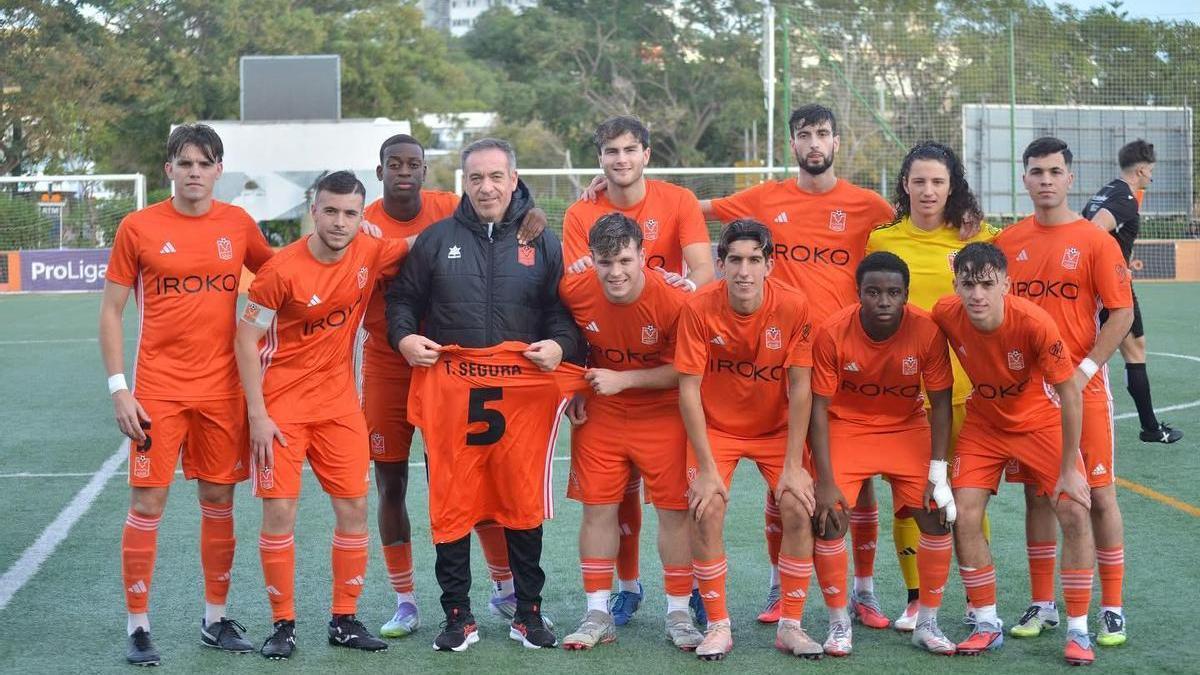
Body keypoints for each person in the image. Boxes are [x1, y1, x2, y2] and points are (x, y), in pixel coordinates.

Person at [386, 138, 582, 652]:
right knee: (451, 503)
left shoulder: (543, 240)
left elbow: (563, 310)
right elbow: (402, 299)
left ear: (514, 180)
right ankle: (457, 616)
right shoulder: (436, 240)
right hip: (452, 396)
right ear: (464, 183)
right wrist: (405, 338)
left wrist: (561, 347)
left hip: (520, 396)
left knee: (521, 502)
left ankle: (528, 613)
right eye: (476, 178)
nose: (486, 187)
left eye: (496, 176)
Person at [100, 123, 272, 666]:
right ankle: (138, 626)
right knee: (148, 500)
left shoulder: (239, 224)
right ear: (168, 168)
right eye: (185, 162)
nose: (195, 172)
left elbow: (280, 277)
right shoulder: (139, 226)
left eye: (205, 163)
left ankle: (215, 619)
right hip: (159, 391)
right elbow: (111, 312)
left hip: (224, 392)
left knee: (219, 501)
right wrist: (119, 389)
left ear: (219, 170)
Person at [234, 171, 409, 659]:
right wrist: (258, 415)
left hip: (339, 409)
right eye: (330, 211)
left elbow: (423, 241)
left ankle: (344, 619)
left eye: (350, 213)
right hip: (281, 411)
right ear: (314, 210)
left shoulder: (371, 251)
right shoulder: (279, 271)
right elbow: (246, 340)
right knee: (280, 511)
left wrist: (518, 213)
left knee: (353, 507)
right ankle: (283, 624)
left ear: (362, 215)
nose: (339, 222)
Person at [563, 115, 714, 625]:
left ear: (647, 154)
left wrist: (681, 287)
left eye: (631, 149)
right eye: (611, 151)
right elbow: (566, 321)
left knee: (677, 506)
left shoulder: (677, 207)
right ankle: (610, 601)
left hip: (662, 381)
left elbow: (704, 274)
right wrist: (572, 386)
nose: (621, 159)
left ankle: (681, 603)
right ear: (600, 158)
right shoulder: (582, 216)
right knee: (607, 503)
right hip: (603, 393)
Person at [933, 242, 1098, 666]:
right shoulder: (945, 314)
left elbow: (1070, 395)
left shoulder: (1035, 323)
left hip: (1039, 423)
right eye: (968, 284)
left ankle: (1079, 629)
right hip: (985, 425)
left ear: (1006, 284)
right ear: (956, 284)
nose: (977, 294)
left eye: (987, 284)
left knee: (1075, 509)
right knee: (962, 515)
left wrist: (1068, 470)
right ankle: (987, 623)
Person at [997, 137, 1134, 648]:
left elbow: (1120, 313)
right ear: (1025, 179)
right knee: (1038, 495)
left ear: (1070, 178)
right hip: (1027, 394)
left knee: (1098, 495)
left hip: (1082, 388)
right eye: (1037, 171)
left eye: (1055, 171)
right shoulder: (1009, 243)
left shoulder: (1096, 241)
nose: (1047, 180)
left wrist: (1084, 367)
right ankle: (1043, 603)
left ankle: (1113, 608)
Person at [865, 141, 999, 629]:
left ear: (952, 186)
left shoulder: (979, 236)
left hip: (964, 391)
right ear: (905, 184)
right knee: (910, 496)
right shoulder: (881, 240)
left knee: (965, 495)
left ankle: (971, 595)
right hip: (903, 394)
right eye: (918, 181)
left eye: (938, 181)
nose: (927, 190)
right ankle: (917, 596)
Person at [674, 219, 821, 660]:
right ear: (720, 265)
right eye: (734, 260)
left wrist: (794, 465)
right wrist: (704, 468)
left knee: (798, 505)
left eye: (754, 260)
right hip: (717, 428)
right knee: (706, 507)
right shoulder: (698, 307)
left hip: (776, 428)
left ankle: (790, 625)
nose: (743, 270)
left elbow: (801, 388)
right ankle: (718, 625)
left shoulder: (795, 306)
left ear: (769, 265)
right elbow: (688, 389)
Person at [557, 212, 704, 651]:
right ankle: (598, 612)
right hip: (600, 414)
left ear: (644, 256)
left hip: (663, 415)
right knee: (598, 508)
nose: (615, 272)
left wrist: (625, 380)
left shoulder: (676, 301)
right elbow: (566, 340)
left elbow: (687, 370)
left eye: (625, 260)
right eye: (605, 262)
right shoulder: (573, 290)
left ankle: (678, 613)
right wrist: (575, 387)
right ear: (591, 260)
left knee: (674, 513)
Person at [808, 251, 957, 657]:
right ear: (858, 294)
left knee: (938, 515)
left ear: (906, 294)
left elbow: (940, 403)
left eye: (893, 292)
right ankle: (839, 623)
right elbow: (816, 409)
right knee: (828, 517)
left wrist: (938, 472)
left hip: (906, 428)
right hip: (847, 426)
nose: (884, 301)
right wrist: (823, 482)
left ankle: (927, 622)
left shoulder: (926, 331)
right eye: (873, 292)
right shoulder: (831, 332)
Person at [1083, 139, 1182, 444]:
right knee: (1130, 351)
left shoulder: (1105, 190)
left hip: (1099, 286)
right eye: (1150, 171)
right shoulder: (1125, 198)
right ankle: (1150, 428)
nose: (1151, 177)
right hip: (1111, 288)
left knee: (1126, 349)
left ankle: (1149, 426)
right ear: (1140, 170)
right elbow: (1094, 231)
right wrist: (1113, 266)